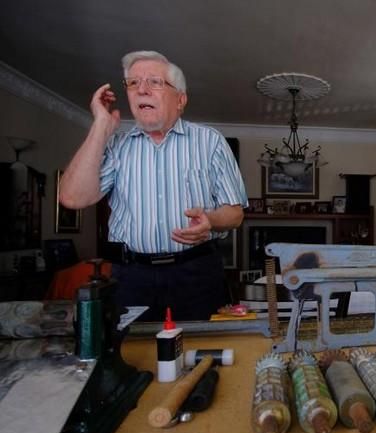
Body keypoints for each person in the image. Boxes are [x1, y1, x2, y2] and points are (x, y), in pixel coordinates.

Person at [59, 50, 247, 321]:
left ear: (180, 99)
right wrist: (100, 126)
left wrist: (211, 220)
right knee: (130, 354)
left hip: (196, 273)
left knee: (201, 353)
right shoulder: (116, 145)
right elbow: (72, 198)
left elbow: (235, 213)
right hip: (131, 275)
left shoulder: (211, 141)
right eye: (133, 83)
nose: (142, 90)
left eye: (155, 82)